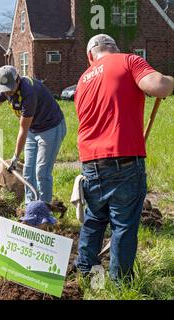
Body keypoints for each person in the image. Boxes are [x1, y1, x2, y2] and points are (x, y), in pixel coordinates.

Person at [73, 34, 174, 282]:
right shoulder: (129, 61)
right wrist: (170, 80)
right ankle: (119, 287)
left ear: (90, 56)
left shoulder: (82, 82)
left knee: (95, 220)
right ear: (115, 48)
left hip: (91, 162)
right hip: (124, 161)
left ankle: (89, 277)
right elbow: (159, 86)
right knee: (123, 227)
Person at [0, 65, 66, 206]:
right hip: (33, 129)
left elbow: (23, 129)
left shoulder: (28, 93)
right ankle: (30, 208)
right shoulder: (6, 90)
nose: (9, 93)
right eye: (5, 90)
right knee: (29, 173)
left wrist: (16, 157)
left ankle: (44, 210)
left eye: (11, 88)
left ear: (18, 79)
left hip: (50, 128)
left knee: (41, 173)